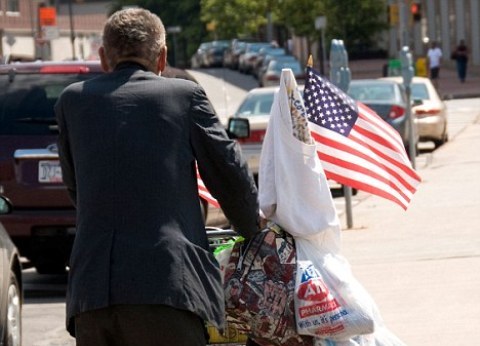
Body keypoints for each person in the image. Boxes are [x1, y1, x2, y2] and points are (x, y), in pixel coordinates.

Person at [55, 8, 260, 345]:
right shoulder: (184, 96)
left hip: (93, 292)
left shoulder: (71, 102)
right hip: (167, 287)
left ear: (104, 57)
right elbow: (229, 175)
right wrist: (252, 230)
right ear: (162, 57)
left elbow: (76, 188)